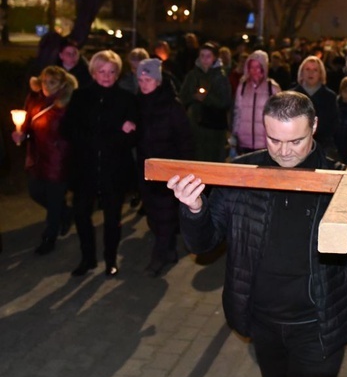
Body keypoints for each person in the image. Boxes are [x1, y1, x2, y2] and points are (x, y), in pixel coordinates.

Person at [167, 91, 347, 377]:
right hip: (263, 323)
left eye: (295, 141)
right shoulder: (242, 175)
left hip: (317, 326)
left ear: (314, 126)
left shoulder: (340, 179)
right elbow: (204, 243)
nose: (284, 151)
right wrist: (195, 209)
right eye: (274, 140)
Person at [61, 50, 138, 277]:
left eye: (111, 72)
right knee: (82, 215)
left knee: (112, 218)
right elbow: (67, 129)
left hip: (114, 170)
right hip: (84, 169)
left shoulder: (126, 99)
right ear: (94, 72)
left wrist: (124, 133)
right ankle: (88, 259)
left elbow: (134, 134)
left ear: (117, 74)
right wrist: (100, 137)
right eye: (102, 71)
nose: (106, 76)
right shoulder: (80, 97)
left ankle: (110, 260)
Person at [135, 59, 194, 277]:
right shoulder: (138, 103)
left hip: (169, 169)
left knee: (165, 214)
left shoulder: (172, 105)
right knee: (153, 213)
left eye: (148, 79)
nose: (144, 84)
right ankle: (168, 250)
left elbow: (185, 140)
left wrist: (184, 169)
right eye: (140, 80)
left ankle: (159, 256)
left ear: (158, 81)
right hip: (146, 168)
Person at [12, 66, 78, 255]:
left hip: (59, 158)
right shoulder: (34, 99)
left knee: (54, 199)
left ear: (62, 84)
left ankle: (49, 237)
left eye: (52, 82)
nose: (47, 86)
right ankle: (66, 213)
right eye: (44, 82)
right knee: (35, 192)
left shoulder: (67, 103)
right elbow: (25, 123)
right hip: (37, 156)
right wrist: (21, 134)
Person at [179, 41, 233, 162]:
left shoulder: (220, 77)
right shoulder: (192, 75)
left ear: (214, 58)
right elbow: (182, 96)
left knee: (213, 160)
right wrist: (194, 97)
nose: (204, 59)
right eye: (202, 56)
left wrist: (207, 98)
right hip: (196, 126)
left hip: (214, 128)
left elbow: (225, 101)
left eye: (208, 56)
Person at [231, 50, 281, 155]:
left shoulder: (272, 88)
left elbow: (278, 115)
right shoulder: (243, 86)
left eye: (258, 67)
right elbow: (238, 112)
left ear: (264, 68)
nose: (255, 71)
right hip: (244, 142)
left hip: (264, 143)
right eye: (252, 67)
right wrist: (235, 134)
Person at [291, 56, 340, 159]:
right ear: (301, 72)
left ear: (321, 74)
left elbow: (333, 124)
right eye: (307, 69)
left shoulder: (330, 97)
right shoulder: (291, 96)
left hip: (323, 148)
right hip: (294, 148)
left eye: (315, 70)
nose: (311, 73)